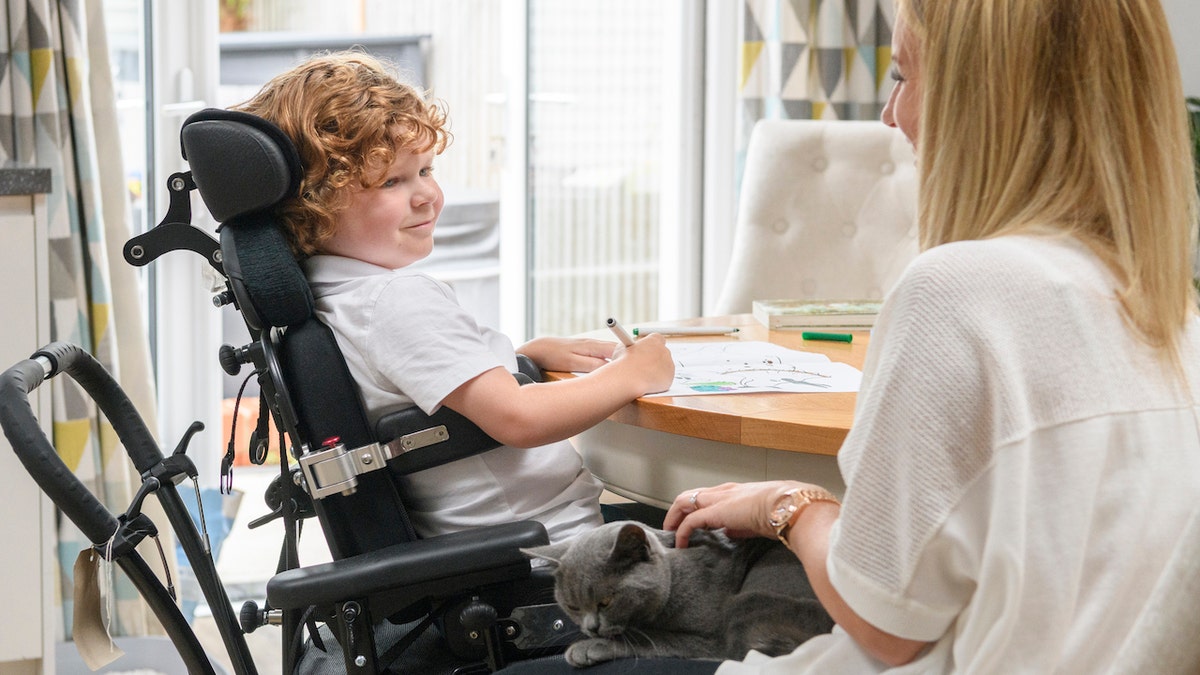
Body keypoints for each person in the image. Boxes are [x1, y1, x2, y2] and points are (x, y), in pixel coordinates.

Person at [497, 0, 1200, 673]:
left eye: (902, 75)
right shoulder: (1174, 314)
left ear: (983, 100)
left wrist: (791, 508)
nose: (891, 116)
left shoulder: (955, 293)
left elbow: (887, 623)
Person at [233, 51, 675, 544]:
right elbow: (519, 418)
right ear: (314, 202)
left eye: (425, 170)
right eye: (392, 181)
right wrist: (632, 373)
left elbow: (413, 386)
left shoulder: (332, 294)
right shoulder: (393, 300)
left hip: (514, 540)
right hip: (556, 548)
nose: (426, 195)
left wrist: (521, 357)